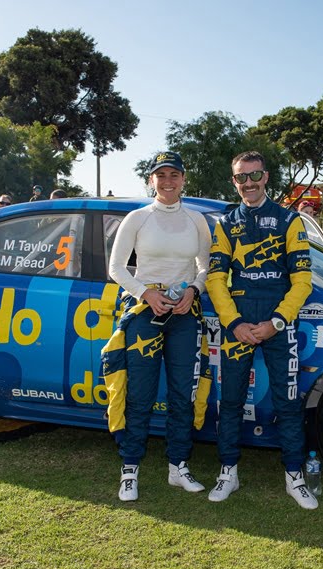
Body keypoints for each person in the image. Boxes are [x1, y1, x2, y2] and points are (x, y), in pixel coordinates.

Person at [205, 150, 318, 510]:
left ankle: (295, 477)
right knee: (232, 401)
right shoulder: (225, 224)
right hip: (237, 324)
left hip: (278, 324)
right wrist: (234, 323)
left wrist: (276, 323)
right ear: (234, 181)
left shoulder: (289, 221)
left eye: (255, 176)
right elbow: (215, 278)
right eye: (242, 178)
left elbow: (302, 281)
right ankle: (228, 472)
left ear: (266, 177)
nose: (249, 183)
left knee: (287, 404)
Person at [103, 151, 212, 502]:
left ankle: (178, 466)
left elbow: (206, 267)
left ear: (183, 179)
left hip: (183, 314)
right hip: (144, 312)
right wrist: (145, 293)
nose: (168, 181)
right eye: (161, 175)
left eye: (174, 175)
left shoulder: (196, 220)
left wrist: (194, 290)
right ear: (151, 180)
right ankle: (130, 469)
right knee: (140, 394)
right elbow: (116, 269)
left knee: (184, 393)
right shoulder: (137, 218)